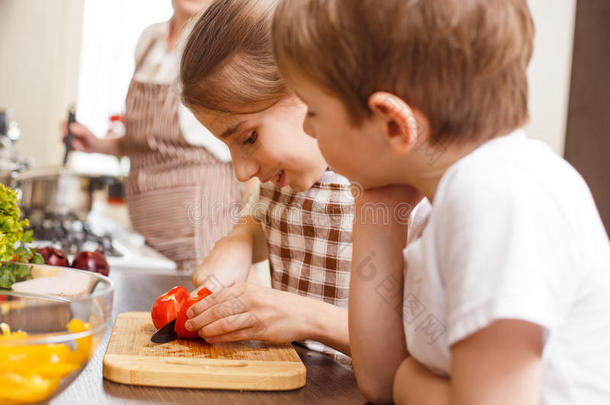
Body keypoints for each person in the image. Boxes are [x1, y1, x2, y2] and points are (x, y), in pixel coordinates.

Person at [272, 0, 610, 404]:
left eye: (313, 110)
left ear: (394, 124)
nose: (308, 128)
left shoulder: (496, 196)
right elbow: (380, 380)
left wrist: (410, 380)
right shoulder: (440, 203)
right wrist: (376, 201)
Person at [178, 0, 357, 364]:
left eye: (248, 139)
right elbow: (275, 217)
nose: (242, 173)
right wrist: (242, 239)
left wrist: (308, 318)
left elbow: (422, 351)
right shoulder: (283, 180)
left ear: (311, 86)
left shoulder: (386, 184)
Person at [62, 0, 240, 269]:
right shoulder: (151, 39)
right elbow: (151, 142)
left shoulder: (222, 46)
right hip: (147, 226)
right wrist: (99, 144)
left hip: (201, 222)